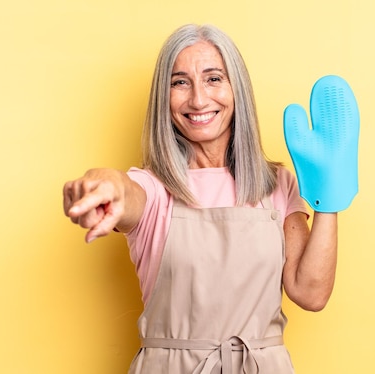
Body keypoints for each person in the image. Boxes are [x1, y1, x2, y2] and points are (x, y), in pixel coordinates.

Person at [63, 24, 338, 373]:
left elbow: (311, 293)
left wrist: (330, 194)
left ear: (236, 88)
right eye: (180, 82)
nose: (197, 99)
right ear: (164, 97)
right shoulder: (153, 188)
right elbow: (122, 189)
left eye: (213, 79)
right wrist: (101, 186)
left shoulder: (278, 184)